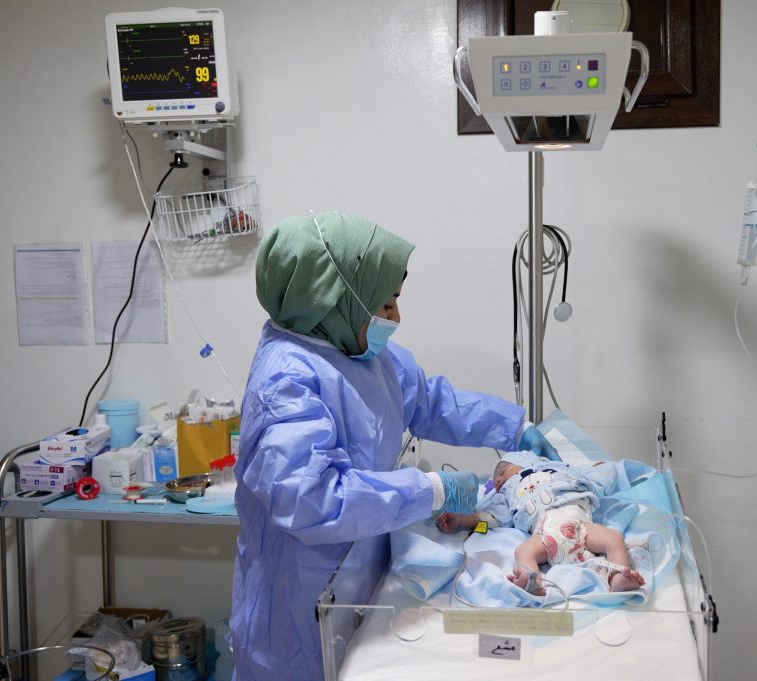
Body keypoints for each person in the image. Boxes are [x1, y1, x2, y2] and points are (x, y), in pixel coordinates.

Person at [230, 210, 559, 681]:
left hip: (360, 577)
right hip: (300, 604)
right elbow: (313, 500)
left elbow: (429, 400)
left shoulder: (359, 353)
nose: (396, 318)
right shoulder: (286, 380)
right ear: (334, 301)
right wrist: (431, 491)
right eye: (385, 305)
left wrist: (513, 425)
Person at [435, 451, 646, 596]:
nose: (498, 481)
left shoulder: (562, 472)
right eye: (496, 478)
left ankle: (619, 576)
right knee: (523, 552)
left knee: (613, 538)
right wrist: (462, 521)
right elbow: (490, 520)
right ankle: (531, 580)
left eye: (503, 471)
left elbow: (599, 480)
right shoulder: (508, 494)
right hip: (544, 533)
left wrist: (601, 467)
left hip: (580, 524)